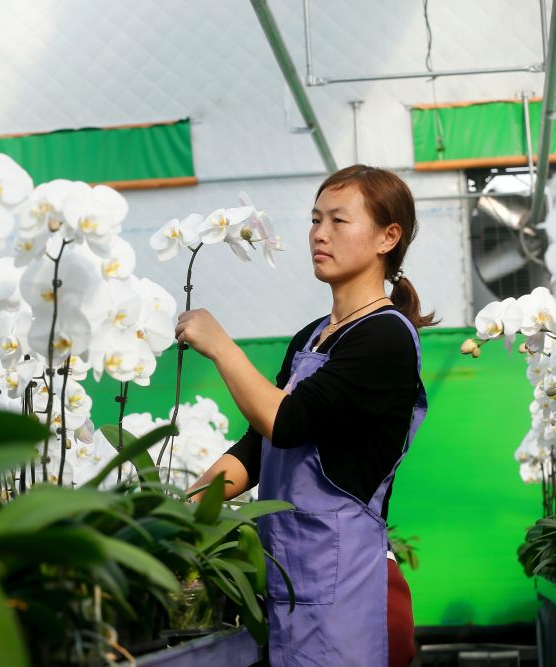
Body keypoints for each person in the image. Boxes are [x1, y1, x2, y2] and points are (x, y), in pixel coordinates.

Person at [178, 164, 434, 666]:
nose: (319, 233)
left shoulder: (385, 338)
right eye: (315, 219)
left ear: (388, 236)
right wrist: (183, 507)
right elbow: (259, 446)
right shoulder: (309, 337)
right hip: (287, 576)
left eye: (339, 221)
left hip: (344, 589)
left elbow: (288, 421)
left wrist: (221, 346)